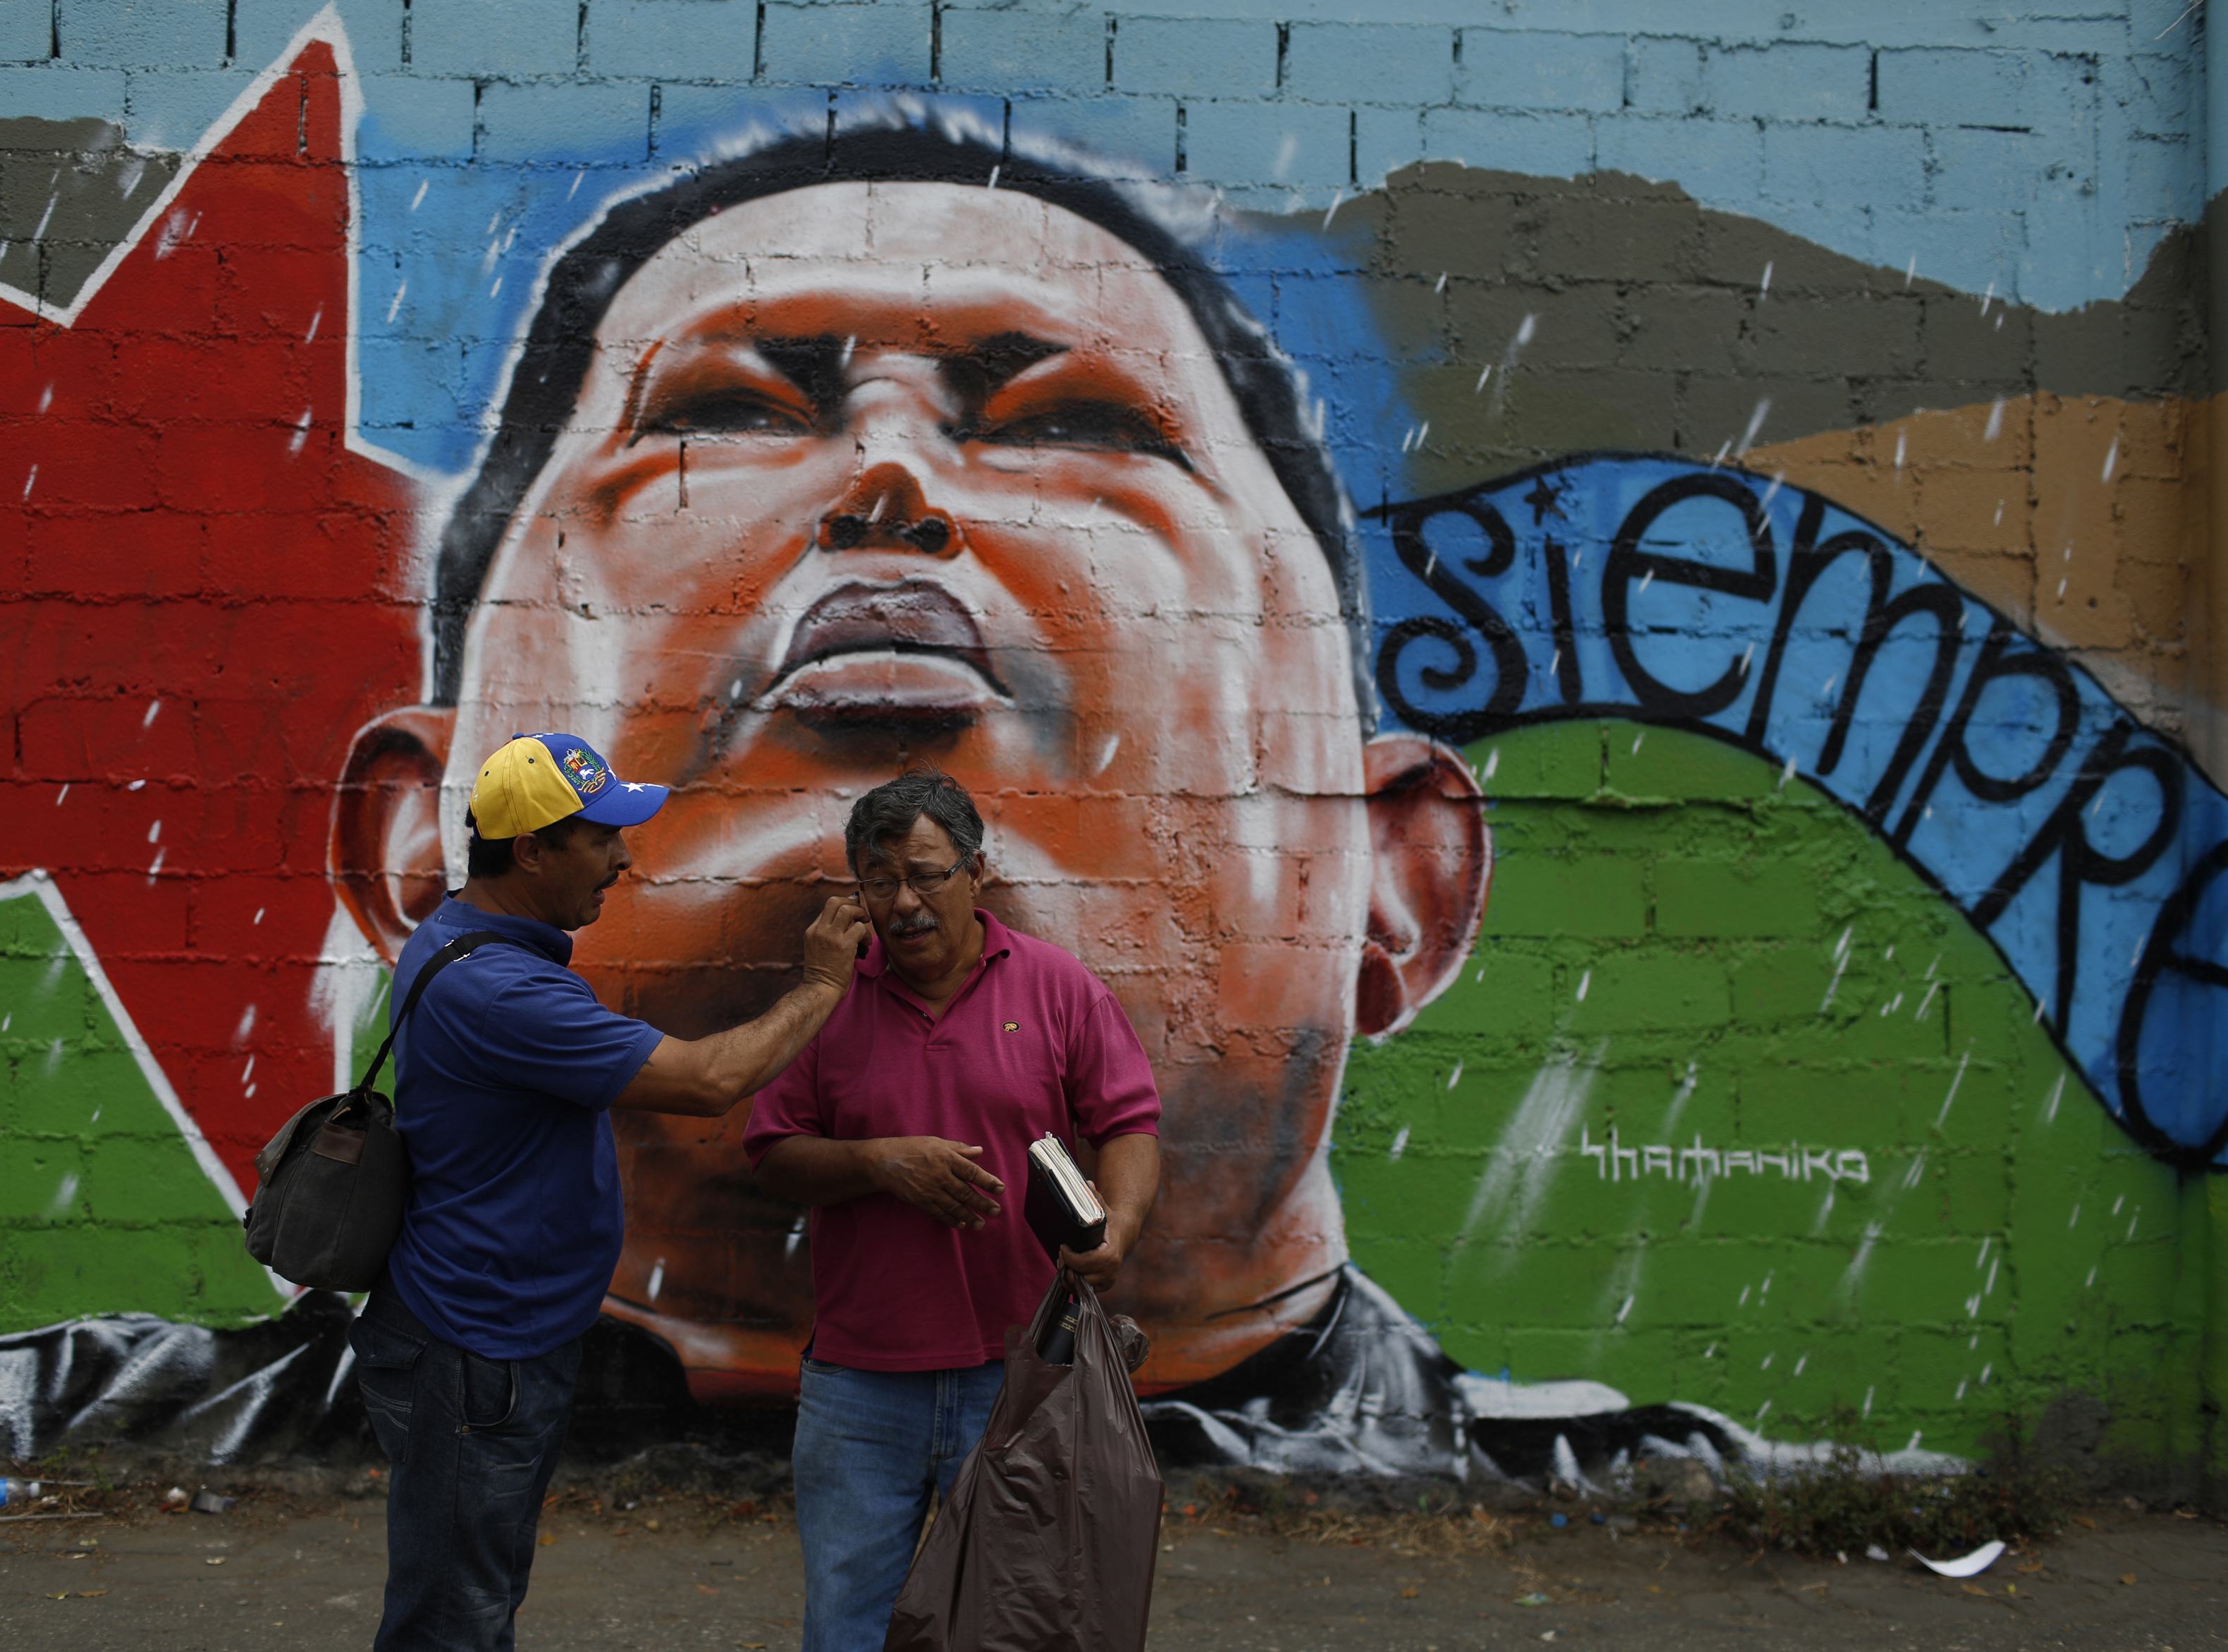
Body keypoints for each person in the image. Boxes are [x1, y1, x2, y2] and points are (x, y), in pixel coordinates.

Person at [330, 119, 1730, 1482]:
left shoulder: (1653, 1506)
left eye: (1068, 417)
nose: (893, 476)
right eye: (726, 409)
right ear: (415, 846)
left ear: (1390, 878)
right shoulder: (123, 1407)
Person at [349, 729, 869, 1651]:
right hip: (478, 1349)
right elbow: (710, 1079)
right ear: (535, 850)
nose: (624, 859)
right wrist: (822, 986)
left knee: (470, 1592)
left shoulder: (462, 936)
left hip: (484, 1333)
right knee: (453, 1619)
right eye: (601, 838)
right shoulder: (503, 993)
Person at [741, 770, 1161, 1651]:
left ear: (976, 871)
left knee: (1015, 1623)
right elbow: (773, 1154)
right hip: (861, 1383)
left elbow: (1126, 1124)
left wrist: (1116, 1227)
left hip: (1022, 1372)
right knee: (849, 1625)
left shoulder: (1056, 987)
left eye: (926, 873)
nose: (903, 901)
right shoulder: (824, 1002)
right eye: (877, 879)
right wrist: (877, 1163)